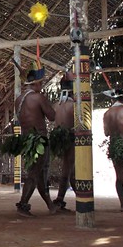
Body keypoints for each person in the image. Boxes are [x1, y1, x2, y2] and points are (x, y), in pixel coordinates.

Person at [15, 62, 57, 217]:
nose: (42, 85)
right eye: (41, 83)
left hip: (27, 141)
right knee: (34, 174)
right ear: (36, 83)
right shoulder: (39, 97)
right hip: (39, 140)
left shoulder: (18, 100)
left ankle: (51, 205)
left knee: (39, 174)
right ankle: (23, 204)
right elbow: (52, 117)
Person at [51, 72, 75, 212]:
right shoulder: (74, 106)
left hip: (58, 139)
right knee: (68, 169)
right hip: (70, 139)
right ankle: (59, 199)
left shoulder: (55, 105)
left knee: (70, 170)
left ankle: (65, 198)